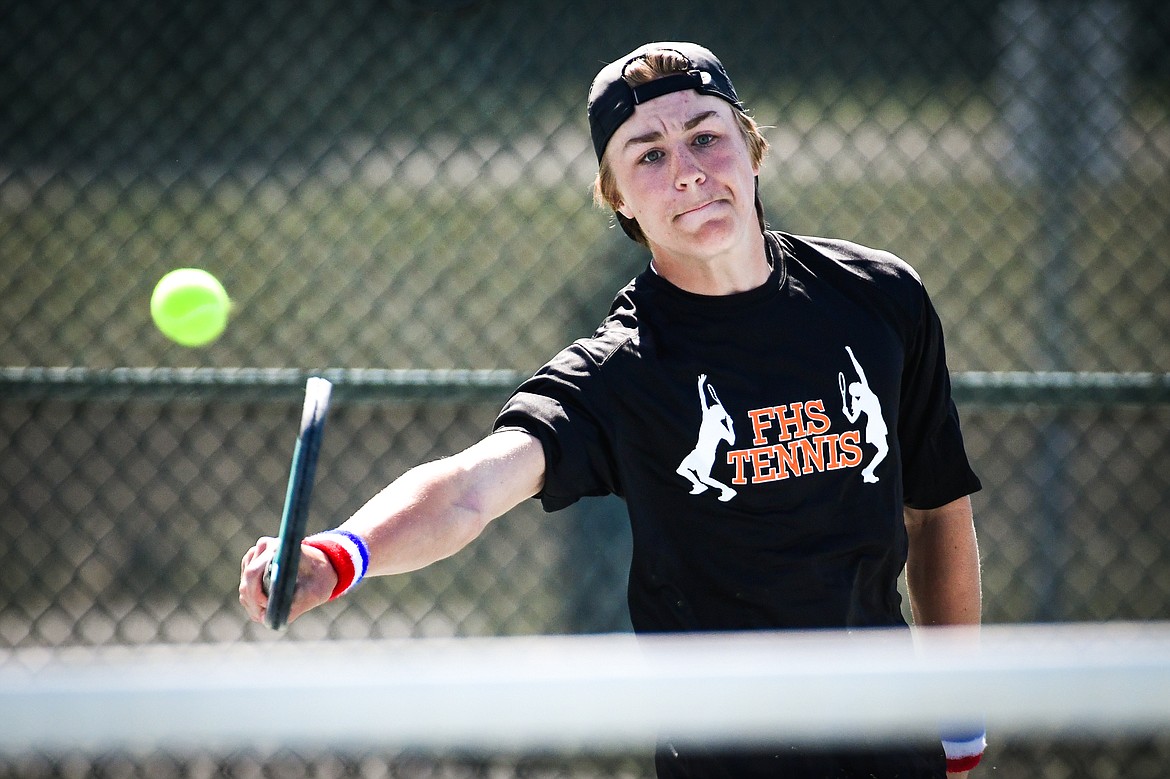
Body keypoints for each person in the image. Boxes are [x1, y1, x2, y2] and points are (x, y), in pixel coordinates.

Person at [240, 41, 985, 778]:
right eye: (648, 155)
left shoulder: (881, 299)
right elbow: (471, 486)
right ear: (619, 198)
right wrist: (339, 555)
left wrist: (957, 714)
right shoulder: (621, 370)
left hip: (892, 750)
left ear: (751, 149)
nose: (690, 171)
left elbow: (936, 507)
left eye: (705, 137)